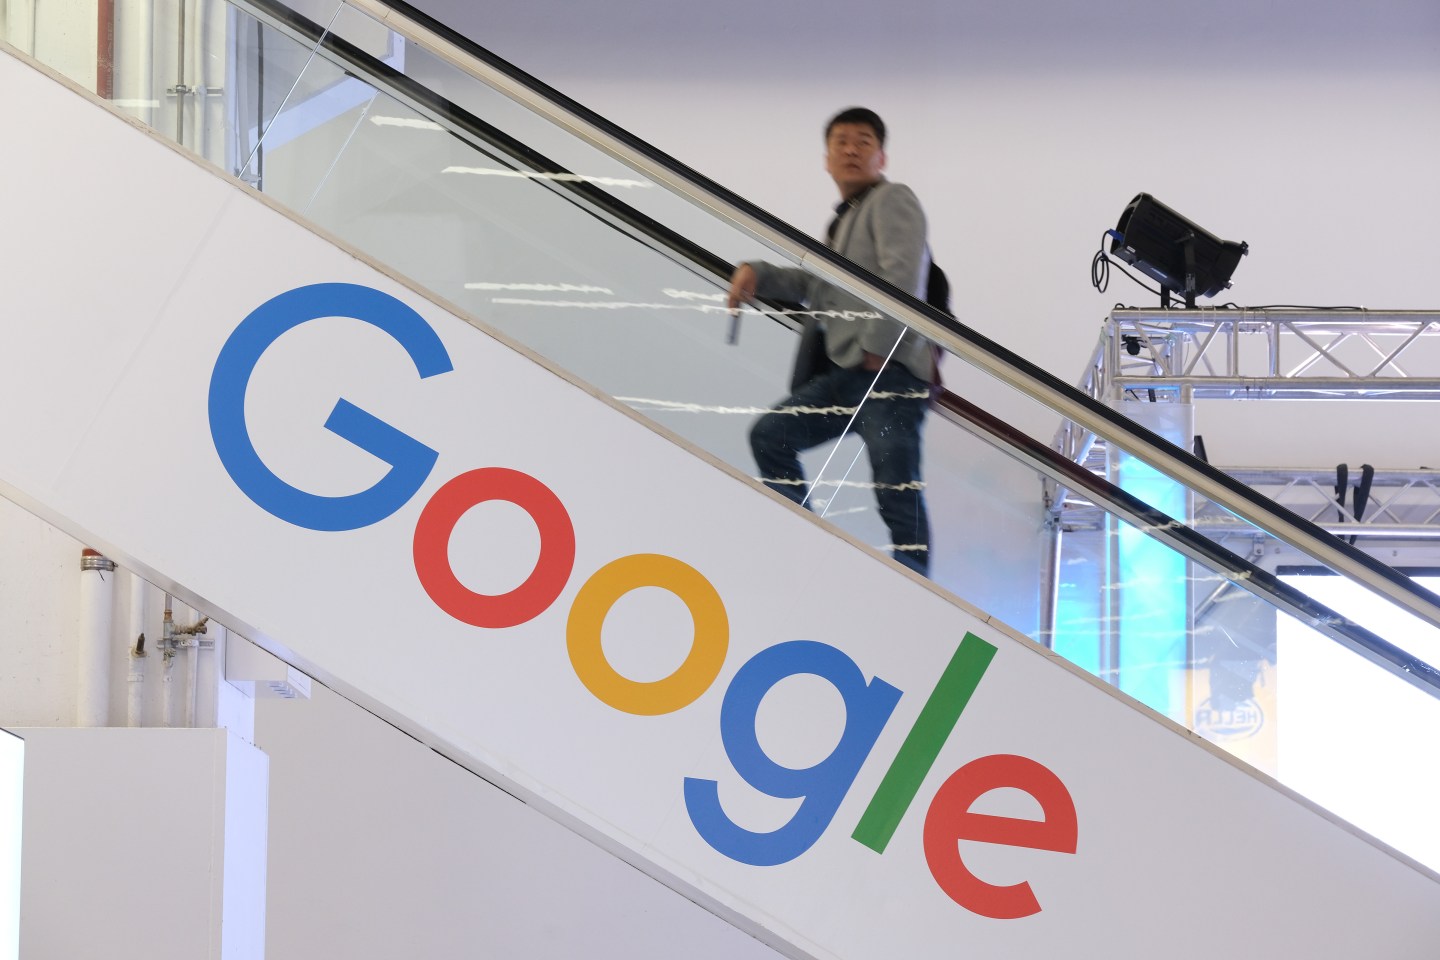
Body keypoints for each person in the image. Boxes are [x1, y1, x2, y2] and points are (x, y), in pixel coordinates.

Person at [727, 107, 934, 576]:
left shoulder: (892, 199)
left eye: (863, 141)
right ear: (827, 158)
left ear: (881, 157)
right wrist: (758, 274)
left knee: (895, 486)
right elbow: (815, 287)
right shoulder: (844, 224)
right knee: (769, 436)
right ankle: (811, 545)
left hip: (886, 372)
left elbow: (904, 274)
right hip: (847, 373)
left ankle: (917, 588)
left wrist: (877, 347)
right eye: (841, 141)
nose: (851, 149)